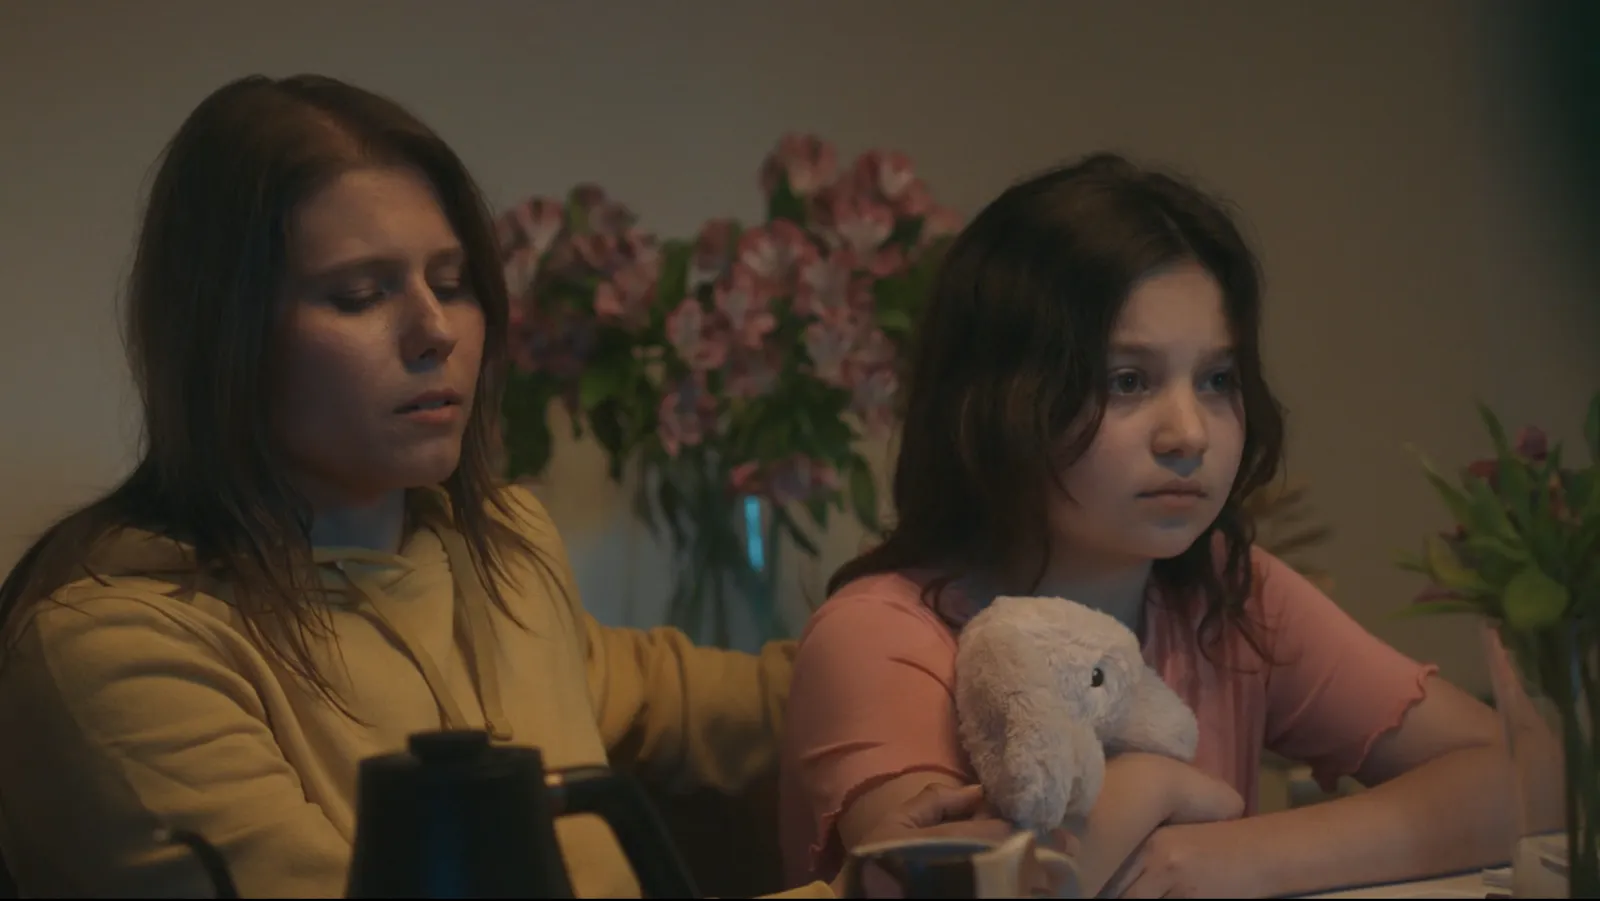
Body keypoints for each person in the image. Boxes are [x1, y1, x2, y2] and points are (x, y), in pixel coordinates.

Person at [0, 74, 1029, 899]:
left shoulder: (496, 544)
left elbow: (696, 699)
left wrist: (987, 635)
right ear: (223, 339)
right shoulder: (115, 651)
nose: (434, 331)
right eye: (358, 295)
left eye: (452, 284)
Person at [778, 153, 1515, 898]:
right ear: (998, 400)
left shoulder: (1228, 591)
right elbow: (954, 892)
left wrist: (1231, 858)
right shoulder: (881, 633)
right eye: (1127, 381)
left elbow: (1527, 773)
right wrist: (1150, 789)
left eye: (1217, 380)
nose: (1188, 434)